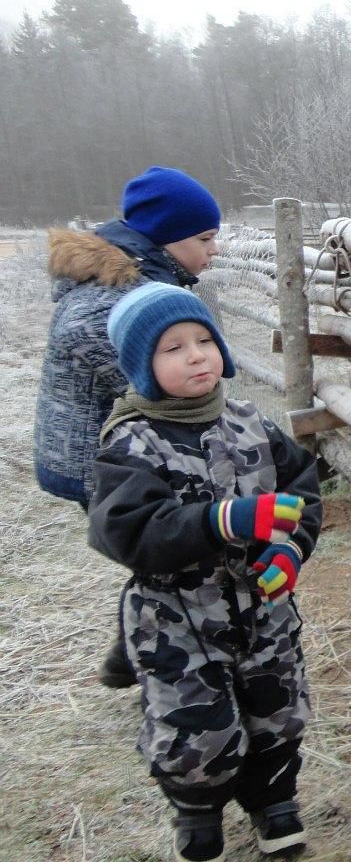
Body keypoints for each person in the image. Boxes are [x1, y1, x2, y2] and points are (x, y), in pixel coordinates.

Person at [88, 282, 321, 862]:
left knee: (279, 710)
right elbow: (126, 531)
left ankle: (274, 800)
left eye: (203, 340)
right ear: (142, 366)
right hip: (176, 617)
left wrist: (292, 549)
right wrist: (222, 520)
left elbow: (303, 493)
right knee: (196, 731)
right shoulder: (131, 441)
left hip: (263, 607)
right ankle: (196, 807)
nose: (196, 355)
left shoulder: (250, 422)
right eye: (172, 348)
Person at [33, 166, 222, 688]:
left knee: (158, 554)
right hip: (104, 458)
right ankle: (164, 671)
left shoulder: (139, 280)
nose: (214, 251)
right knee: (163, 555)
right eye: (204, 238)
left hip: (117, 450)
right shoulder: (110, 300)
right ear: (167, 238)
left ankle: (128, 659)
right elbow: (157, 386)